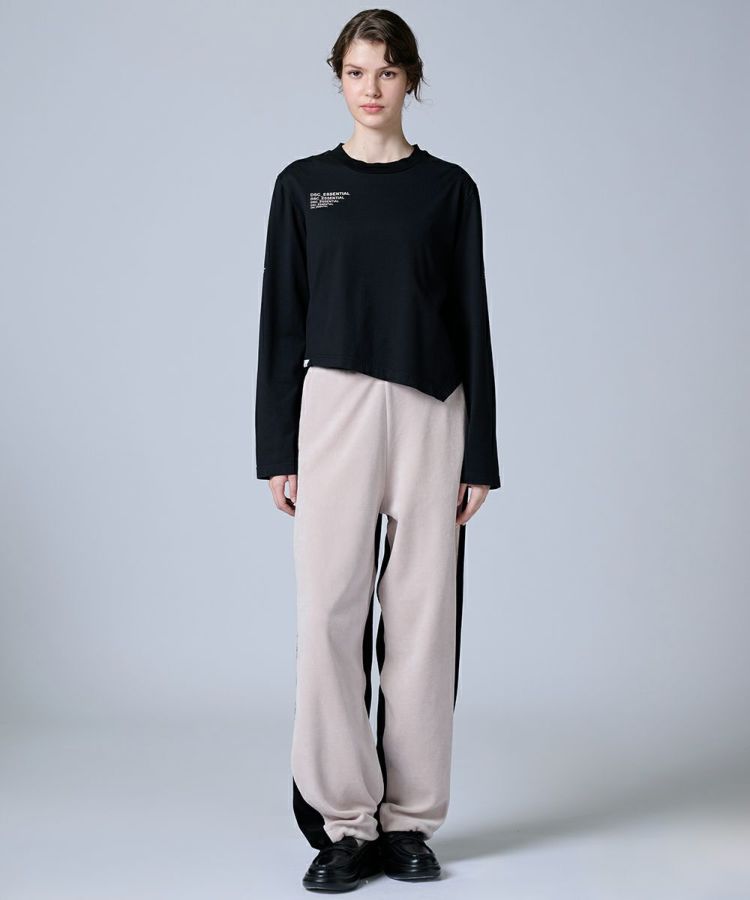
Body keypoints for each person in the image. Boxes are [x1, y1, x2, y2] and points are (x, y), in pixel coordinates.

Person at [255, 9, 501, 892]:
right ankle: (344, 825)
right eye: (357, 72)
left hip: (434, 407)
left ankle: (409, 824)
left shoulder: (449, 190)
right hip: (334, 410)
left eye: (388, 73)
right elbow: (281, 321)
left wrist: (481, 453)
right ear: (339, 77)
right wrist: (276, 445)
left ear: (410, 80)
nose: (371, 88)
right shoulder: (304, 186)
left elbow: (472, 318)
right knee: (328, 610)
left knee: (424, 619)